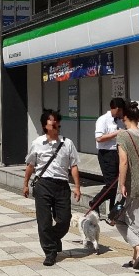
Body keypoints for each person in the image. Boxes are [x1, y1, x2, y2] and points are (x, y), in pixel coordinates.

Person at [23, 109, 81, 266]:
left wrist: (77, 187)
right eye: (51, 120)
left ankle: (54, 238)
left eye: (56, 120)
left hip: (62, 185)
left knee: (64, 221)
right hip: (43, 184)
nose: (54, 123)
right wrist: (25, 184)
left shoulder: (67, 143)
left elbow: (74, 166)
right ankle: (50, 252)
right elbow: (30, 165)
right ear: (44, 125)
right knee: (44, 221)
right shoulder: (37, 143)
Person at [116, 101, 139, 269]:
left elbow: (123, 162)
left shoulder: (123, 136)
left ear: (125, 118)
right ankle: (136, 258)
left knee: (118, 219)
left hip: (130, 184)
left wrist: (122, 184)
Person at [89, 97, 126, 216]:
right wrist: (116, 133)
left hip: (118, 153)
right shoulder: (103, 120)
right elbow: (99, 138)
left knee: (117, 184)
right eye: (120, 111)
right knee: (111, 184)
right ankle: (95, 202)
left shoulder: (120, 121)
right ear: (116, 108)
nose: (121, 113)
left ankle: (112, 210)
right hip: (106, 153)